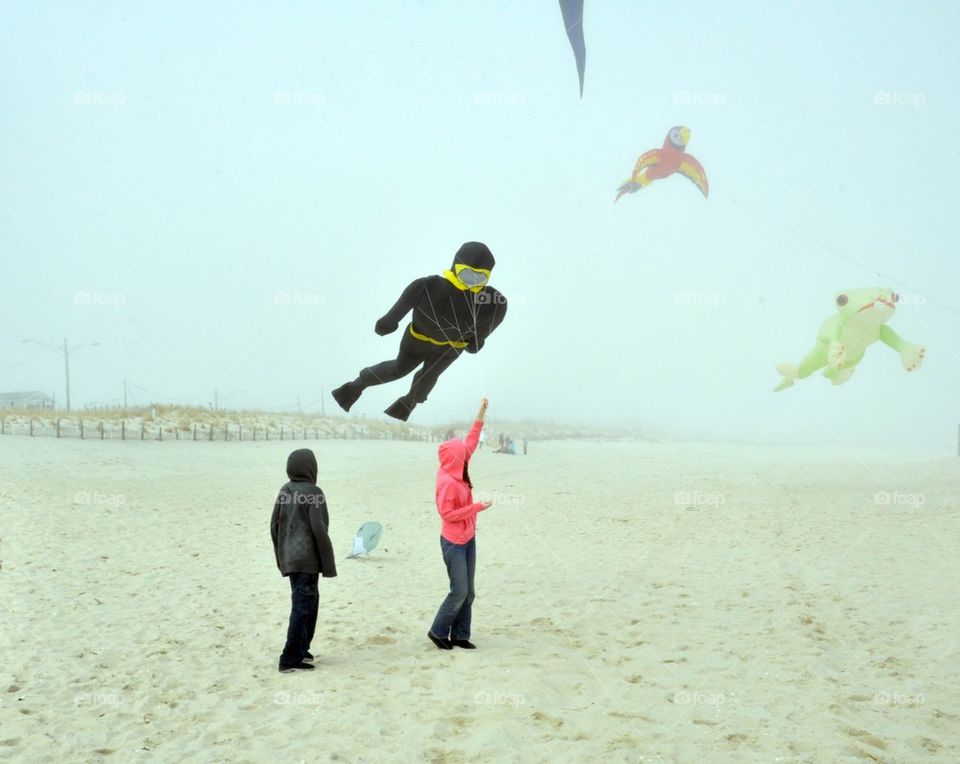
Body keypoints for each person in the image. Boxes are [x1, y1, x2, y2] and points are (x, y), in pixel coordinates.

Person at [331, 242, 508, 421]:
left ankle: (408, 404)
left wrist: (478, 339)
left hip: (450, 348)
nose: (471, 282)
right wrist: (389, 321)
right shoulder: (428, 286)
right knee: (398, 370)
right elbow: (405, 302)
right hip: (417, 341)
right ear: (456, 267)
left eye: (479, 278)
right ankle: (356, 386)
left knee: (426, 380)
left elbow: (488, 326)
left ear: (487, 277)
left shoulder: (493, 301)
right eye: (467, 274)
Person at [428, 397, 494, 650]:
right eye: (462, 455)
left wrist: (481, 414)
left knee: (470, 593)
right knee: (459, 590)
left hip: (468, 538)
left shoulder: (458, 466)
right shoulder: (446, 481)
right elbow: (447, 514)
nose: (467, 456)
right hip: (453, 543)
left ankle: (461, 636)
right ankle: (437, 631)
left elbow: (471, 442)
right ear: (454, 459)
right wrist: (477, 507)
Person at [270, 448, 338, 672]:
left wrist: (281, 556)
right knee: (303, 607)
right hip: (307, 560)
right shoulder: (314, 492)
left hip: (290, 557)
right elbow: (320, 528)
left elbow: (274, 525)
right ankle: (290, 658)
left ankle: (302, 649)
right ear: (311, 468)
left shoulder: (284, 490)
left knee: (307, 604)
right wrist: (328, 564)